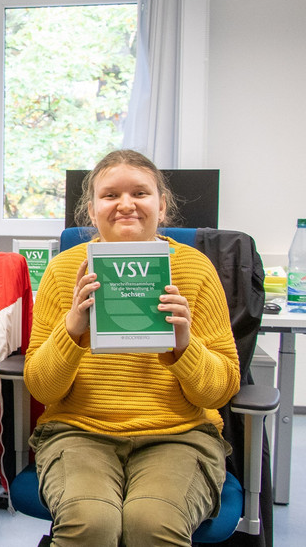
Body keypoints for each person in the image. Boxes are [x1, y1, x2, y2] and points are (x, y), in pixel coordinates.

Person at [24, 149, 240, 546]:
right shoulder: (63, 270)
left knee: (152, 524)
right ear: (91, 210)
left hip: (180, 433)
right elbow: (43, 389)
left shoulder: (194, 268)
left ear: (163, 205)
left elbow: (220, 391)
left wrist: (184, 345)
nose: (126, 205)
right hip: (80, 432)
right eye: (110, 195)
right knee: (91, 523)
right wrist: (72, 329)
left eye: (140, 193)